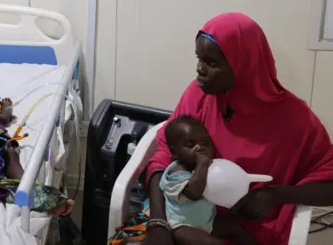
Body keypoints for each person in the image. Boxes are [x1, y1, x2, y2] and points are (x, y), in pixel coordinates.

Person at [143, 13, 333, 245]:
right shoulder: (199, 95)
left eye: (211, 63)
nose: (199, 70)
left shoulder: (294, 118)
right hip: (188, 220)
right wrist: (158, 222)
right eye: (199, 59)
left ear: (244, 64)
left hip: (251, 231)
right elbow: (164, 154)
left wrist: (277, 195)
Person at [160, 115, 258, 245]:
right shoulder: (176, 172)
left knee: (235, 228)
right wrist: (202, 165)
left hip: (207, 221)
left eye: (205, 143)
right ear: (175, 152)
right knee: (212, 243)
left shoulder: (209, 166)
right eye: (191, 145)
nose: (200, 148)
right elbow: (193, 193)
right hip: (182, 225)